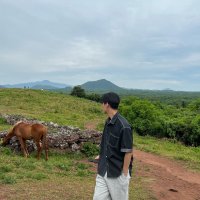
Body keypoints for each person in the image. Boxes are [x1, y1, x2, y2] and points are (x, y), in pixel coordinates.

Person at [93, 92, 133, 200]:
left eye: (102, 103)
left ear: (107, 104)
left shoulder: (124, 126)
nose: (101, 105)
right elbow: (107, 143)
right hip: (103, 169)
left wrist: (124, 174)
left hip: (117, 173)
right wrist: (101, 155)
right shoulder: (108, 122)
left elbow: (128, 152)